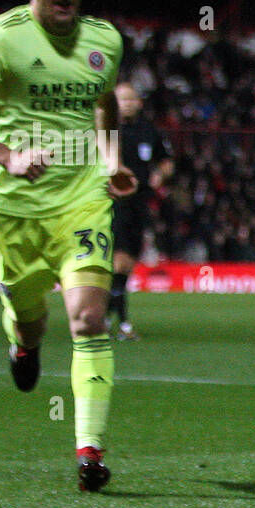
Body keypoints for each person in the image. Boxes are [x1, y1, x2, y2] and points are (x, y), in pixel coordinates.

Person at [0, 0, 137, 491]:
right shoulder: (1, 39)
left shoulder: (104, 40)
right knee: (32, 317)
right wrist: (7, 155)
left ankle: (90, 451)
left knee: (88, 320)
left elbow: (105, 102)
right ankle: (24, 343)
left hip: (83, 202)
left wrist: (112, 158)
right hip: (17, 211)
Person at [108, 82, 172, 340]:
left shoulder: (148, 130)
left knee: (127, 264)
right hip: (113, 202)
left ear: (140, 102)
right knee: (119, 262)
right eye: (123, 100)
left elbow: (166, 161)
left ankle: (106, 319)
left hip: (140, 203)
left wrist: (160, 173)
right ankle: (122, 323)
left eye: (132, 99)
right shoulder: (106, 130)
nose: (128, 104)